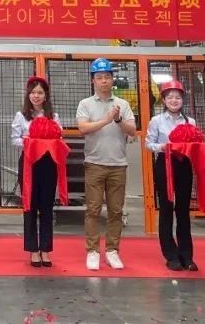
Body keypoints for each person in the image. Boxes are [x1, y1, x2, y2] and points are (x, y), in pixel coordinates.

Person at [77, 58, 136, 271]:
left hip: (118, 164)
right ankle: (92, 251)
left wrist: (118, 120)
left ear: (112, 79)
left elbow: (132, 130)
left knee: (116, 210)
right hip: (94, 163)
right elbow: (83, 128)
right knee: (93, 209)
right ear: (93, 80)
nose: (104, 81)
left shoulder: (123, 104)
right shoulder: (85, 104)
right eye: (99, 77)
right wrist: (106, 120)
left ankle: (112, 250)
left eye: (107, 77)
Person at [144, 80, 198, 272]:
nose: (174, 100)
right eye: (170, 97)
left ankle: (187, 255)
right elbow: (148, 144)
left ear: (182, 99)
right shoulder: (156, 121)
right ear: (164, 100)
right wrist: (164, 146)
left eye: (178, 97)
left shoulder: (190, 121)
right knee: (166, 208)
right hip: (164, 163)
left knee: (183, 209)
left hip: (184, 164)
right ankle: (171, 255)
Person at [11, 76, 60, 268]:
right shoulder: (21, 116)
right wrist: (30, 141)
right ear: (28, 95)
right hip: (29, 163)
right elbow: (14, 140)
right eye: (33, 92)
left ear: (46, 95)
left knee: (47, 206)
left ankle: (45, 250)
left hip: (49, 163)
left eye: (40, 92)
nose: (36, 96)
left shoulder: (53, 116)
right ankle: (33, 250)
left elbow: (59, 137)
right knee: (30, 206)